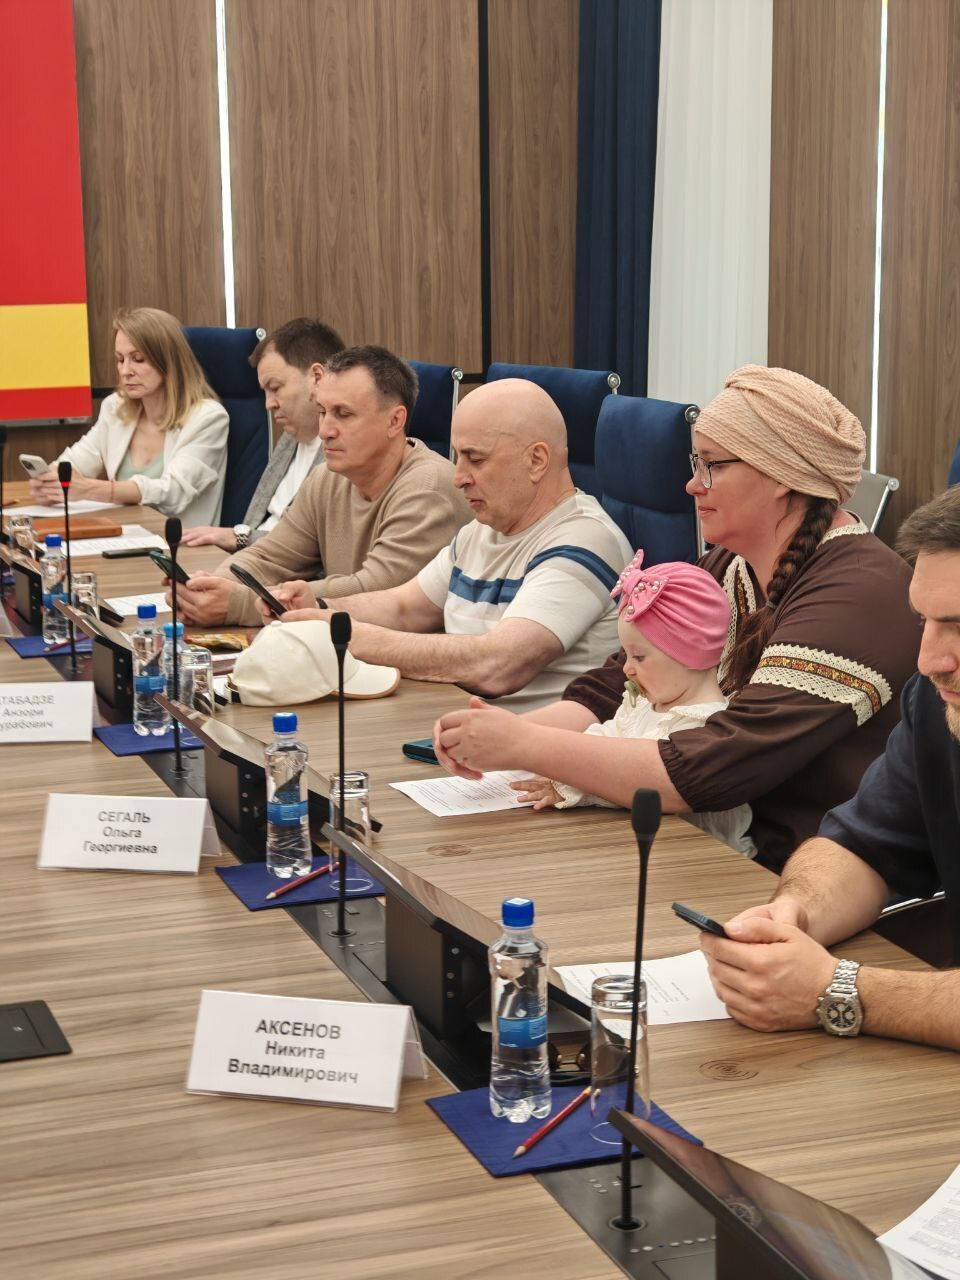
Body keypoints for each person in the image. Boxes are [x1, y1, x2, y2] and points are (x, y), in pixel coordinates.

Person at [433, 365, 919, 867]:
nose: (692, 485)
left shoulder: (861, 594)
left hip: (793, 872)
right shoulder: (731, 564)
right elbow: (618, 683)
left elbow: (712, 767)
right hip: (707, 845)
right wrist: (489, 738)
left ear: (780, 475)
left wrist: (525, 744)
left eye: (712, 466)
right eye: (696, 463)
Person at [699, 488, 960, 1052]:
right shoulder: (936, 706)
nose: (930, 661)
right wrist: (795, 913)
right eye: (924, 621)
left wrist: (836, 991)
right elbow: (864, 846)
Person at [276, 377, 632, 708]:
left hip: (533, 748)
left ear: (536, 460)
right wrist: (320, 607)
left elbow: (497, 665)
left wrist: (351, 637)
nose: (459, 477)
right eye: (458, 457)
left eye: (475, 459)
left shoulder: (585, 541)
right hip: (458, 727)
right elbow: (405, 608)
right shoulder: (483, 530)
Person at [171, 345, 471, 627]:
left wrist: (237, 603)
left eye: (343, 414)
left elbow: (375, 592)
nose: (324, 430)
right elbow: (269, 556)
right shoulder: (327, 477)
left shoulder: (428, 489)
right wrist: (212, 587)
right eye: (322, 412)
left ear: (394, 421)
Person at [513, 550, 754, 855]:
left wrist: (574, 786)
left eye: (639, 656)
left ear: (690, 651)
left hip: (699, 862)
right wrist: (562, 765)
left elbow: (645, 787)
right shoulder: (645, 703)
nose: (626, 668)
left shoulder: (706, 725)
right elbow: (607, 738)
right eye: (626, 654)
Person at [29, 307, 229, 525]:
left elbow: (173, 493)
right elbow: (76, 462)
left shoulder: (208, 418)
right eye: (120, 359)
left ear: (169, 362)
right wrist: (49, 482)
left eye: (138, 359)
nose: (125, 371)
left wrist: (90, 489)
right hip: (124, 535)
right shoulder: (116, 407)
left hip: (179, 540)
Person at [179, 317, 344, 552]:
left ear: (317, 378)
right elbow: (254, 523)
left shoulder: (344, 452)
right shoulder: (291, 436)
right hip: (249, 560)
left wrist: (240, 538)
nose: (268, 404)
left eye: (275, 388)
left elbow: (313, 548)